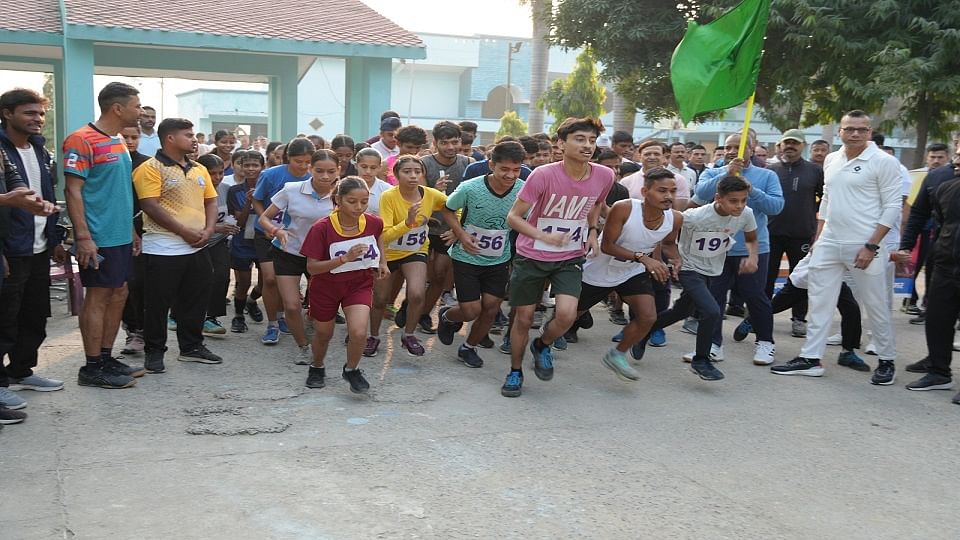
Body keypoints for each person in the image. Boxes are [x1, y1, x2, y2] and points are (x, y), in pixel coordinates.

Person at [770, 110, 902, 384]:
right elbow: (827, 200)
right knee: (819, 301)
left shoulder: (883, 161)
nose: (855, 134)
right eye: (849, 129)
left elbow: (892, 206)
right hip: (829, 241)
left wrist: (872, 245)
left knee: (876, 303)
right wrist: (819, 238)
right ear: (840, 131)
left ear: (869, 131)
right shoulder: (831, 159)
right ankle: (811, 358)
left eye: (861, 129)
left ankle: (887, 360)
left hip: (865, 244)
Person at [501, 117, 613, 397]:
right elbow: (513, 217)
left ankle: (542, 345)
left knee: (566, 315)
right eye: (580, 139)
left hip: (569, 256)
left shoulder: (604, 175)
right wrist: (542, 236)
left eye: (591, 140)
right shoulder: (543, 175)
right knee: (523, 319)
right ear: (560, 144)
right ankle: (515, 371)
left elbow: (595, 203)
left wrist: (591, 230)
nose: (587, 145)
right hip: (532, 255)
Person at [633, 175, 759, 381]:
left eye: (743, 200)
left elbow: (753, 239)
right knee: (711, 311)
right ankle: (701, 360)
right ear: (718, 198)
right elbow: (667, 242)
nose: (739, 206)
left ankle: (643, 331)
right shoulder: (694, 216)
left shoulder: (746, 214)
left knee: (682, 310)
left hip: (712, 269)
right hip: (689, 268)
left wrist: (752, 256)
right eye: (733, 201)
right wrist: (675, 259)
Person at [63, 82, 144, 388]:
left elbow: (120, 190)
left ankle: (106, 356)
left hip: (121, 235)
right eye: (136, 105)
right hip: (97, 237)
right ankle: (92, 366)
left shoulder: (118, 140)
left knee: (119, 292)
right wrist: (83, 236)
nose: (141, 111)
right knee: (97, 296)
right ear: (117, 108)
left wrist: (132, 230)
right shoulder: (81, 140)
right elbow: (73, 190)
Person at [575, 167, 682, 380]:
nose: (668, 196)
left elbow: (669, 244)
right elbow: (608, 246)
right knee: (569, 317)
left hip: (631, 272)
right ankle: (543, 343)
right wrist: (644, 258)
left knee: (648, 316)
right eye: (662, 191)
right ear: (644, 192)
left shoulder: (676, 218)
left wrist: (676, 259)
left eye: (672, 191)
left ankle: (617, 354)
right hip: (599, 270)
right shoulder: (624, 208)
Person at [134, 118, 222, 374]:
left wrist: (208, 229)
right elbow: (150, 205)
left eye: (193, 134)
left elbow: (211, 201)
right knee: (157, 304)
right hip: (163, 247)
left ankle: (191, 347)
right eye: (188, 135)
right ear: (170, 138)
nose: (194, 139)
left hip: (197, 246)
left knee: (195, 299)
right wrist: (184, 231)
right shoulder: (149, 168)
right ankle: (154, 352)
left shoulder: (199, 169)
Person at [693, 134, 784, 366]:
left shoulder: (767, 175)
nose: (733, 151)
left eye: (739, 146)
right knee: (714, 298)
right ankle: (713, 344)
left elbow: (776, 207)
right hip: (717, 248)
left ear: (752, 149)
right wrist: (726, 174)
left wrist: (751, 190)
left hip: (753, 248)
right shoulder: (713, 172)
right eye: (729, 147)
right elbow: (700, 195)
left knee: (756, 297)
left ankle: (765, 342)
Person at [0, 88, 64, 413]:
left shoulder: (39, 149)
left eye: (40, 113)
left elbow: (43, 195)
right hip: (11, 248)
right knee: (5, 321)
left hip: (39, 245)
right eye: (29, 113)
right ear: (8, 114)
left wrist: (55, 241)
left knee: (35, 315)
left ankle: (21, 371)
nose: (37, 119)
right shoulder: (1, 150)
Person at [436, 141, 525, 367]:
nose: (510, 175)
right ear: (491, 165)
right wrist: (461, 234)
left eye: (516, 170)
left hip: (499, 258)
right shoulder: (471, 188)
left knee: (491, 307)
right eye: (504, 169)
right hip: (467, 256)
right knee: (470, 310)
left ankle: (469, 347)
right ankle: (447, 316)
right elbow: (446, 209)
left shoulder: (523, 191)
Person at [299, 177, 388, 391]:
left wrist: (382, 262)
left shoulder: (374, 222)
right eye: (352, 201)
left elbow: (378, 239)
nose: (359, 207)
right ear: (338, 199)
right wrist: (343, 259)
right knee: (324, 333)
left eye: (364, 201)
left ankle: (351, 370)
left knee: (358, 332)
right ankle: (317, 366)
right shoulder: (321, 228)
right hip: (326, 287)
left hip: (359, 283)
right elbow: (312, 268)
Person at [259, 150, 338, 364]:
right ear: (310, 169)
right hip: (289, 251)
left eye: (331, 171)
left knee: (317, 307)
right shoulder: (292, 189)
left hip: (322, 258)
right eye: (319, 170)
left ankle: (312, 324)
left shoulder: (341, 194)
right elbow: (264, 218)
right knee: (292, 305)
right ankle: (303, 347)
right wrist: (277, 231)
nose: (325, 176)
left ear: (338, 171)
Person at [372, 155, 448, 357]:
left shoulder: (431, 195)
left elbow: (453, 207)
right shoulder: (389, 197)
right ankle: (373, 336)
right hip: (388, 253)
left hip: (415, 251)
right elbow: (385, 234)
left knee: (416, 294)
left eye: (417, 171)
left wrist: (455, 230)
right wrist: (408, 222)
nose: (413, 176)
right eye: (407, 171)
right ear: (396, 175)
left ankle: (409, 335)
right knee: (380, 299)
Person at [902, 163, 960, 403]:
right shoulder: (944, 185)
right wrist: (906, 245)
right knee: (937, 319)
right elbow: (927, 218)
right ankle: (938, 372)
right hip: (946, 263)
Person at [252, 137, 314, 344]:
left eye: (308, 162)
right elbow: (257, 200)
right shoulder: (271, 175)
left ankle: (286, 316)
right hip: (266, 234)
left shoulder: (314, 178)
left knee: (292, 281)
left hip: (296, 238)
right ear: (288, 157)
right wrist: (269, 225)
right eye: (299, 161)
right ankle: (272, 324)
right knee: (269, 279)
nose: (304, 166)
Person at [762, 129, 823, 337]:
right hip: (772, 232)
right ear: (780, 145)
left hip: (802, 233)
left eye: (795, 143)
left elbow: (825, 200)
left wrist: (812, 217)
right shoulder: (770, 170)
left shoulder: (815, 171)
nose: (790, 146)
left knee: (800, 279)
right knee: (766, 277)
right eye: (787, 142)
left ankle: (798, 319)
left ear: (803, 145)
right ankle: (760, 315)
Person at [420, 121, 473, 329]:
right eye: (445, 142)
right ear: (435, 143)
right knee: (421, 276)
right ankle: (412, 307)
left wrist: (457, 230)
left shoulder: (468, 163)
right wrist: (433, 189)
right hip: (424, 228)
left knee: (440, 276)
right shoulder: (424, 163)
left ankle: (423, 313)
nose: (450, 147)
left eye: (455, 141)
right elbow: (416, 196)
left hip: (449, 230)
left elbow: (472, 200)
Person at [196, 153, 240, 336]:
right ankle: (180, 314)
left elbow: (231, 214)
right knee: (197, 280)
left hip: (218, 242)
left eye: (220, 172)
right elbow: (189, 222)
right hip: (197, 241)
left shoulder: (226, 189)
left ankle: (211, 317)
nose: (217, 177)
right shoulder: (192, 190)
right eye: (212, 173)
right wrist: (217, 227)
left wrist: (230, 227)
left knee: (222, 276)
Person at [226, 151, 265, 333]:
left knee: (267, 282)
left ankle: (251, 301)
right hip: (242, 241)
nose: (251, 169)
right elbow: (239, 222)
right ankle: (239, 316)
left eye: (255, 165)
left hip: (263, 239)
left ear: (262, 167)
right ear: (240, 166)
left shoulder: (269, 189)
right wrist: (249, 202)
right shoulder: (234, 191)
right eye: (246, 165)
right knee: (244, 282)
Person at [354, 148, 392, 215]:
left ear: (380, 168)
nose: (368, 171)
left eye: (373, 168)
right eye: (364, 167)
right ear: (356, 166)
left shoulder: (387, 190)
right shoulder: (346, 187)